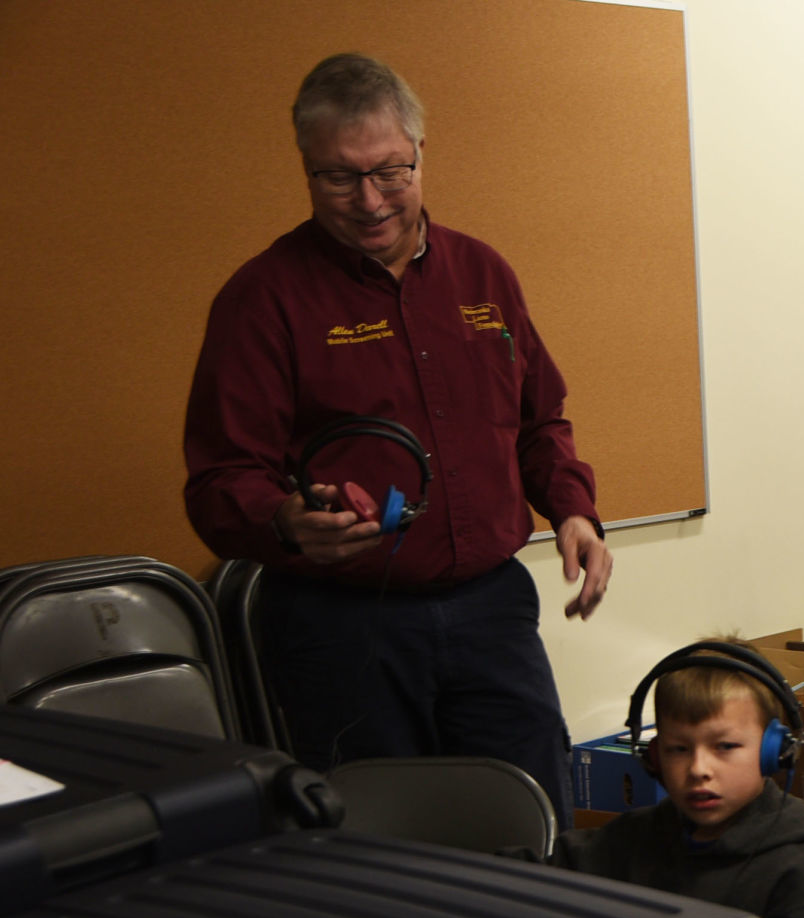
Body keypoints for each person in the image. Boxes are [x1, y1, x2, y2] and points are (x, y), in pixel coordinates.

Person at [182, 53, 611, 819]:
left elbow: (540, 418)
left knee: (535, 821)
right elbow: (220, 479)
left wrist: (573, 510)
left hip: (490, 612)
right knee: (381, 848)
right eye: (339, 177)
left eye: (390, 170)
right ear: (306, 171)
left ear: (420, 153)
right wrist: (284, 519)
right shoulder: (262, 299)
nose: (371, 200)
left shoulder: (482, 274)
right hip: (344, 630)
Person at [552, 645, 804, 918]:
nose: (698, 768)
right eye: (679, 749)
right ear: (654, 758)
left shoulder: (798, 872)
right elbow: (544, 875)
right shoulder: (638, 835)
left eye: (724, 746)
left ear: (774, 753)